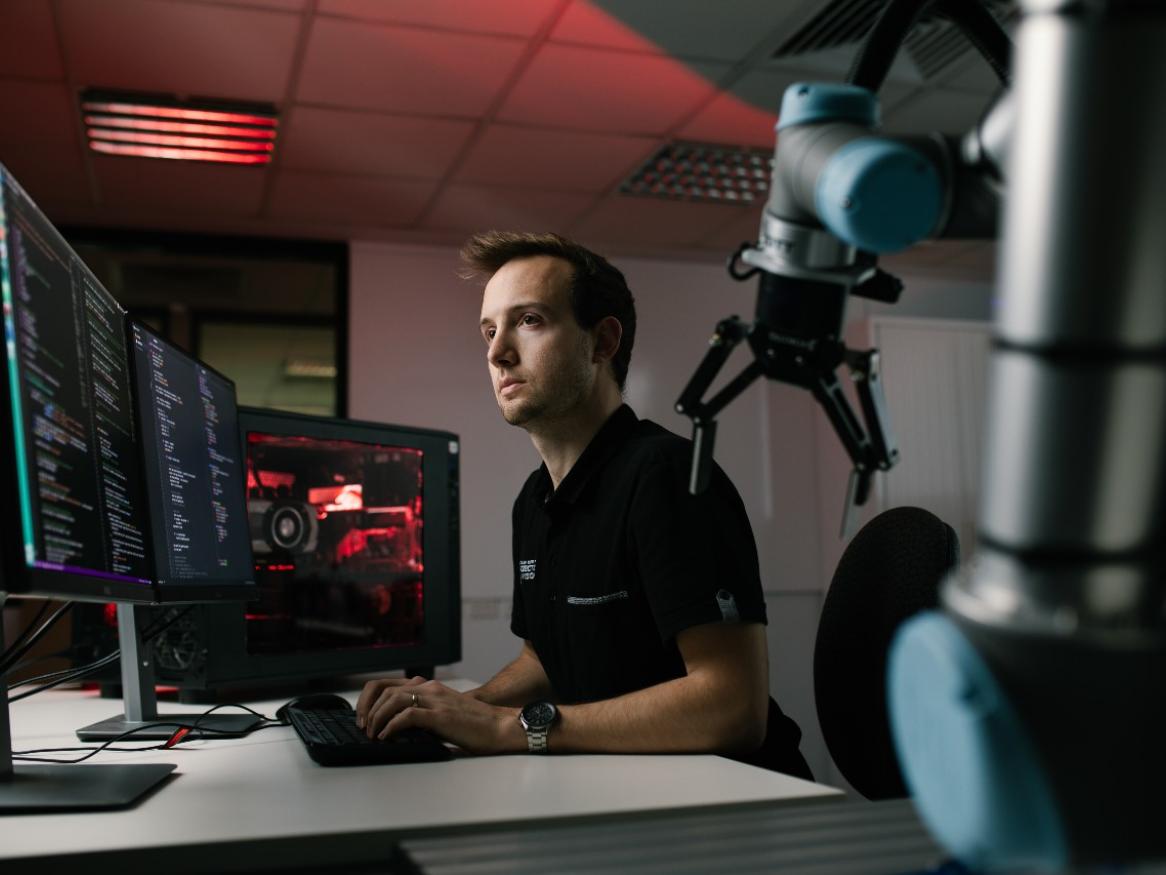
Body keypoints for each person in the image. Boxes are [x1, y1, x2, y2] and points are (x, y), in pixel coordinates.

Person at [355, 231, 811, 778]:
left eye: (529, 321)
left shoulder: (667, 478)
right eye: (489, 329)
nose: (497, 353)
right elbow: (545, 658)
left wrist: (507, 728)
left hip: (733, 802)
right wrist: (462, 707)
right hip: (618, 784)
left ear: (601, 343)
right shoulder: (534, 499)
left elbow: (734, 708)